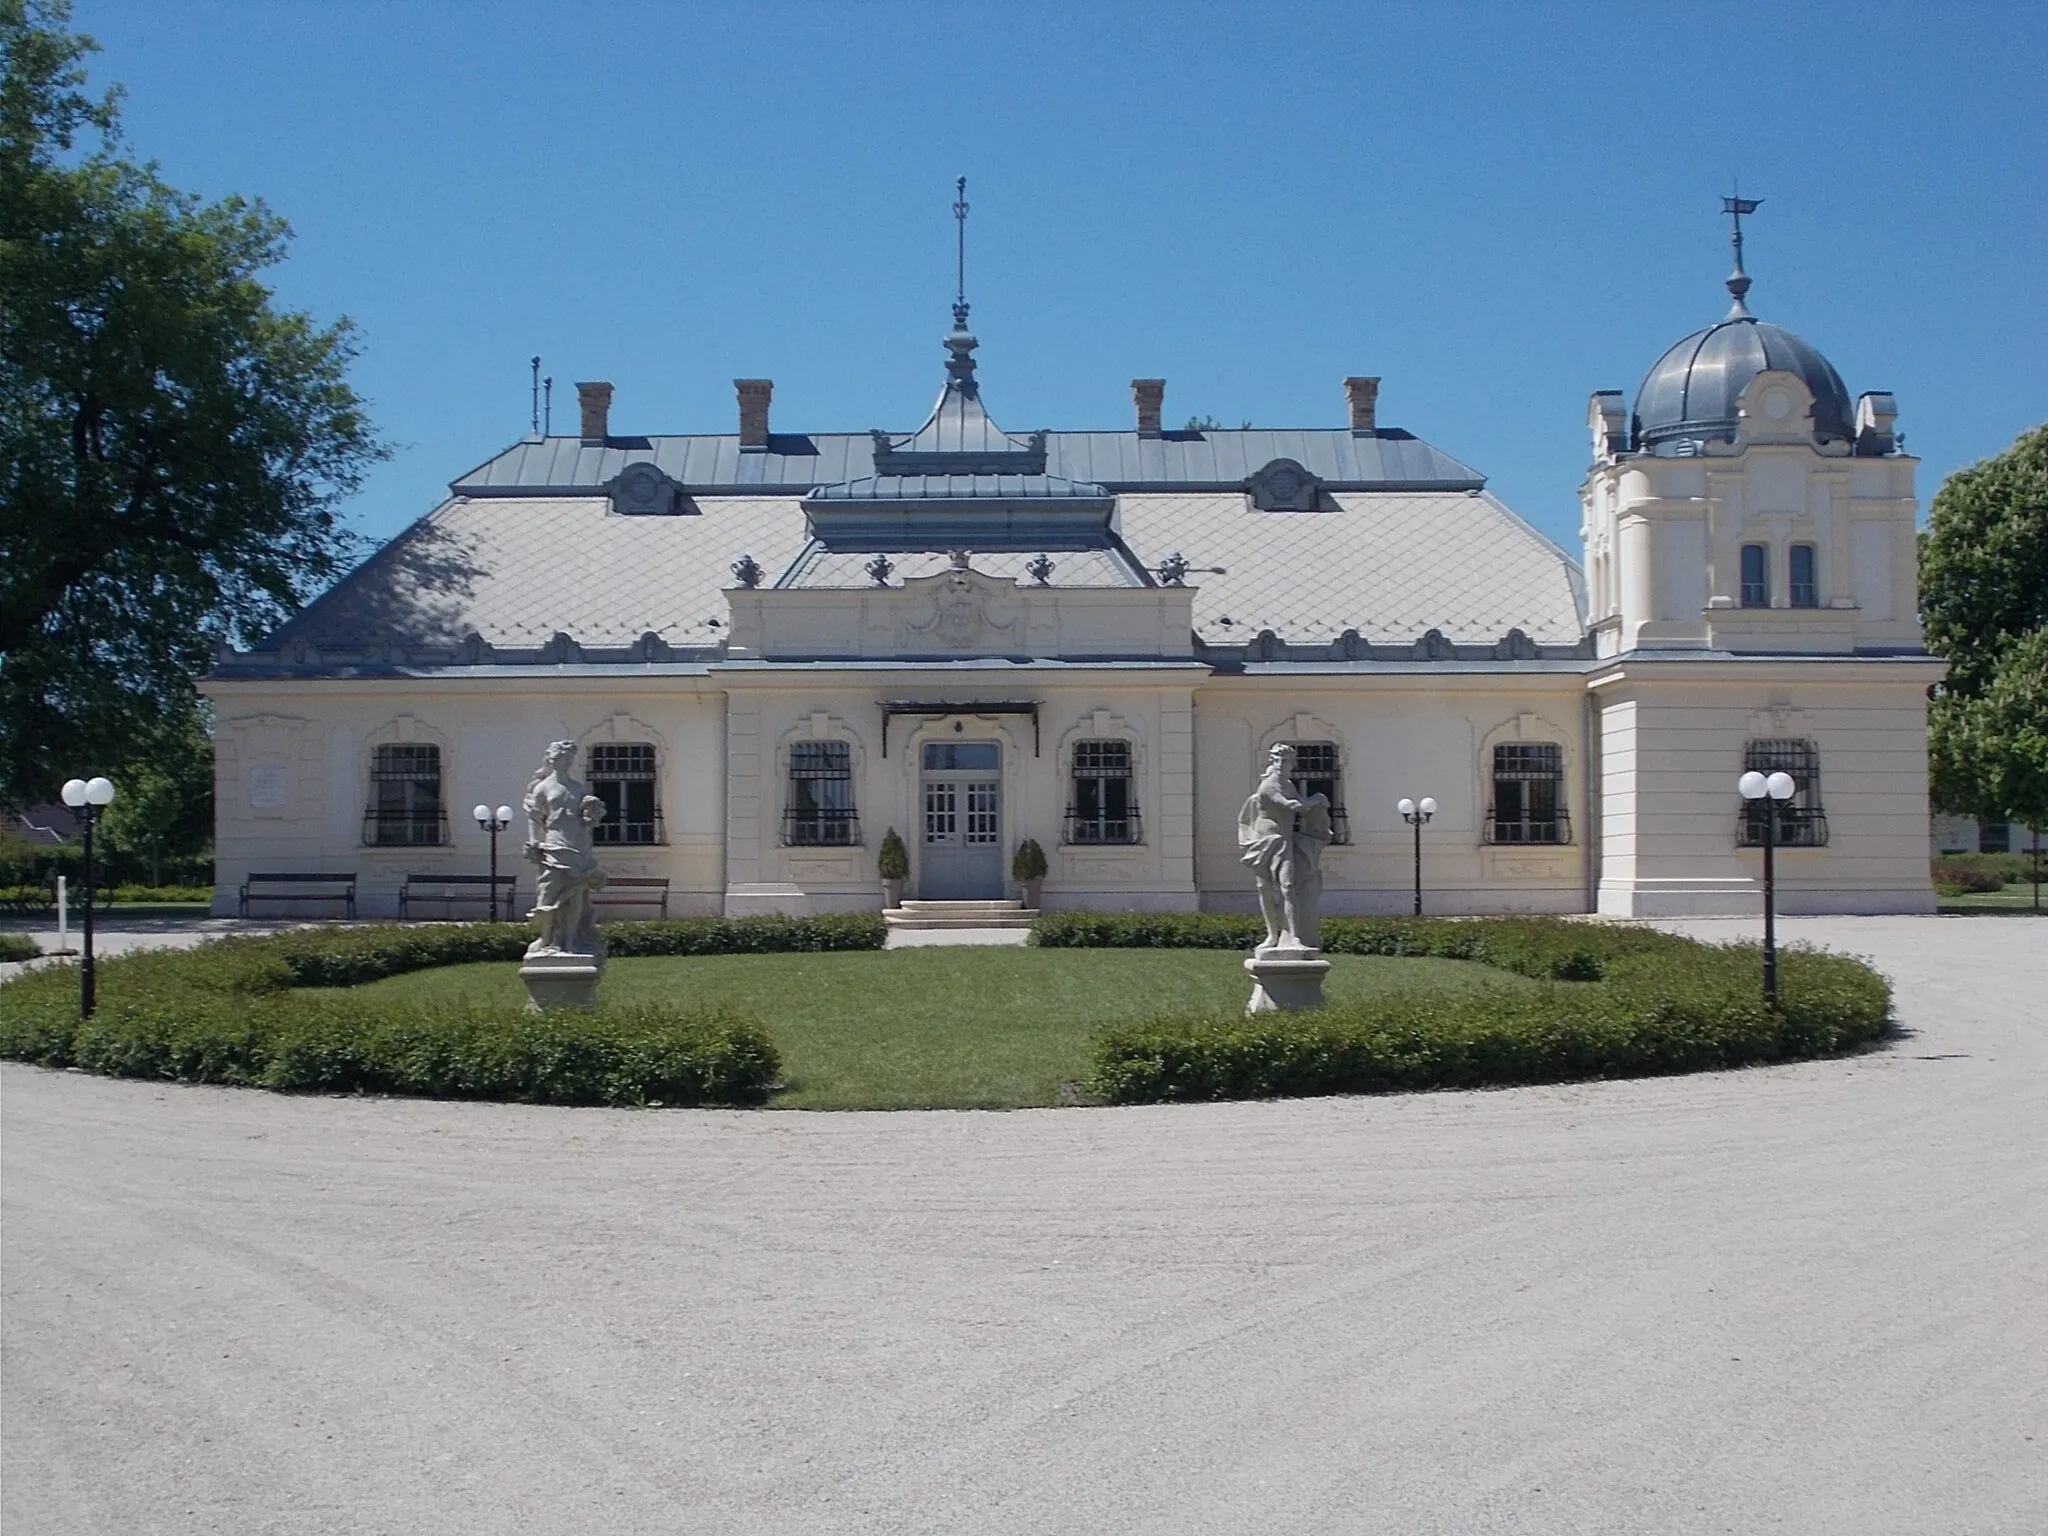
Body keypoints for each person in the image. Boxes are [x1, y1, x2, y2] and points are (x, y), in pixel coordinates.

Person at [1238, 744, 1334, 952]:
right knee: (1264, 889)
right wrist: (1317, 798)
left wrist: (1315, 806)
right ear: (1272, 762)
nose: (1281, 765)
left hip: (1283, 840)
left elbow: (1300, 804)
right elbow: (1293, 806)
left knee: (1287, 886)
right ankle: (1272, 935)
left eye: (1286, 761)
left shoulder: (1288, 784)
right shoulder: (1269, 786)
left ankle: (1294, 936)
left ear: (1292, 764)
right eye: (1277, 761)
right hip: (1264, 842)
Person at [522, 740, 607, 958]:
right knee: (548, 895)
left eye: (570, 758)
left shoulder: (578, 789)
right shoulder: (542, 787)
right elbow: (534, 816)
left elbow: (586, 821)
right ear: (552, 759)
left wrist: (592, 816)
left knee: (576, 897)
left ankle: (570, 943)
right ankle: (547, 939)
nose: (567, 762)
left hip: (577, 848)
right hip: (553, 846)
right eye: (563, 757)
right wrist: (533, 841)